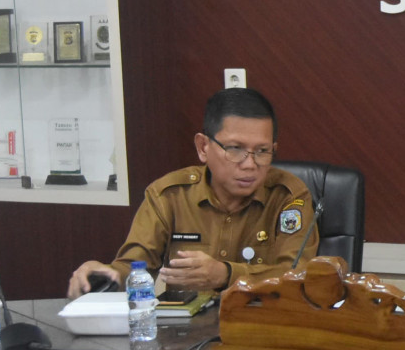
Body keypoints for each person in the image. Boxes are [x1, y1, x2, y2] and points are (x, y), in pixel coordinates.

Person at [67, 88, 318, 298]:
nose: (250, 164)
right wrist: (105, 275)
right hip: (183, 336)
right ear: (203, 147)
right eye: (235, 149)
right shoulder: (169, 196)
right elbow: (134, 267)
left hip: (260, 329)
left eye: (262, 151)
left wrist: (226, 274)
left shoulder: (288, 197)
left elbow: (296, 277)